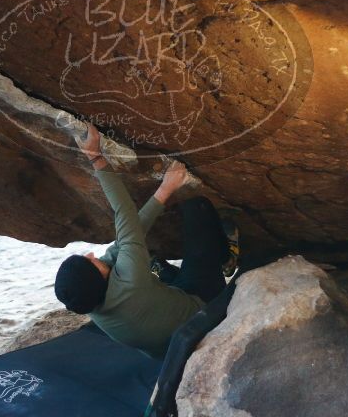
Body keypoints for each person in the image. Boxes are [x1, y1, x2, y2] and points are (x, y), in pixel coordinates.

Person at [54, 122, 238, 360]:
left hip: (167, 340)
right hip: (200, 311)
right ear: (98, 276)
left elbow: (131, 234)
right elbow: (125, 214)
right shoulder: (130, 280)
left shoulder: (89, 301)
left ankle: (173, 275)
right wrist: (96, 157)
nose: (91, 255)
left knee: (149, 259)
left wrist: (162, 196)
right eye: (89, 261)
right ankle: (228, 257)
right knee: (196, 206)